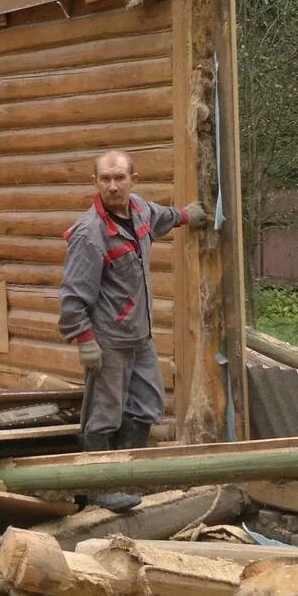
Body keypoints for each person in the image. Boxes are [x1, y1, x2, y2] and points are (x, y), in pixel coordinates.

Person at [59, 150, 205, 505]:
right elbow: (72, 297)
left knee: (146, 406)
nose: (112, 186)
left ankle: (125, 479)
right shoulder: (90, 235)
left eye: (119, 178)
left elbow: (162, 216)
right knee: (103, 416)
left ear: (132, 180)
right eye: (105, 179)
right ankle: (99, 489)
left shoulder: (139, 210)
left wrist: (186, 216)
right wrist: (84, 340)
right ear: (95, 182)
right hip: (107, 341)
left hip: (140, 337)